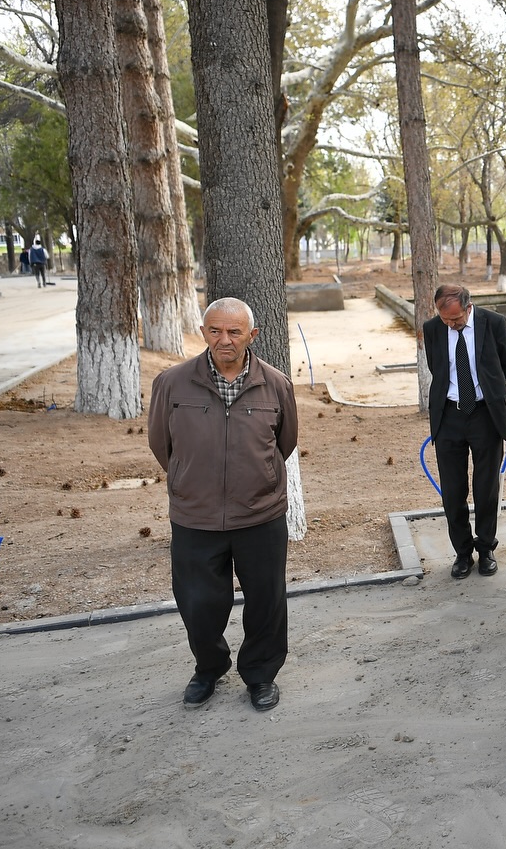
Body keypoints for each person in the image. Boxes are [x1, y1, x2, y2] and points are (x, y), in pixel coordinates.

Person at [147, 298, 298, 712]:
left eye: (234, 332)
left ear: (253, 336)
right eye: (215, 330)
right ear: (203, 333)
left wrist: (257, 480)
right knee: (198, 603)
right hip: (195, 516)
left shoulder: (276, 385)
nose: (224, 340)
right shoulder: (171, 384)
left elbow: (284, 442)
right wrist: (191, 480)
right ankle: (208, 668)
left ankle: (261, 674)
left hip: (260, 514)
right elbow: (162, 444)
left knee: (266, 602)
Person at [422, 284, 506, 580]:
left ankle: (486, 548)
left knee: (486, 487)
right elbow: (437, 368)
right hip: (449, 415)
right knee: (453, 490)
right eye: (446, 319)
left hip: (485, 414)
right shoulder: (433, 329)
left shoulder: (494, 323)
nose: (451, 324)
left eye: (456, 318)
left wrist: (487, 389)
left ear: (468, 307)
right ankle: (462, 552)